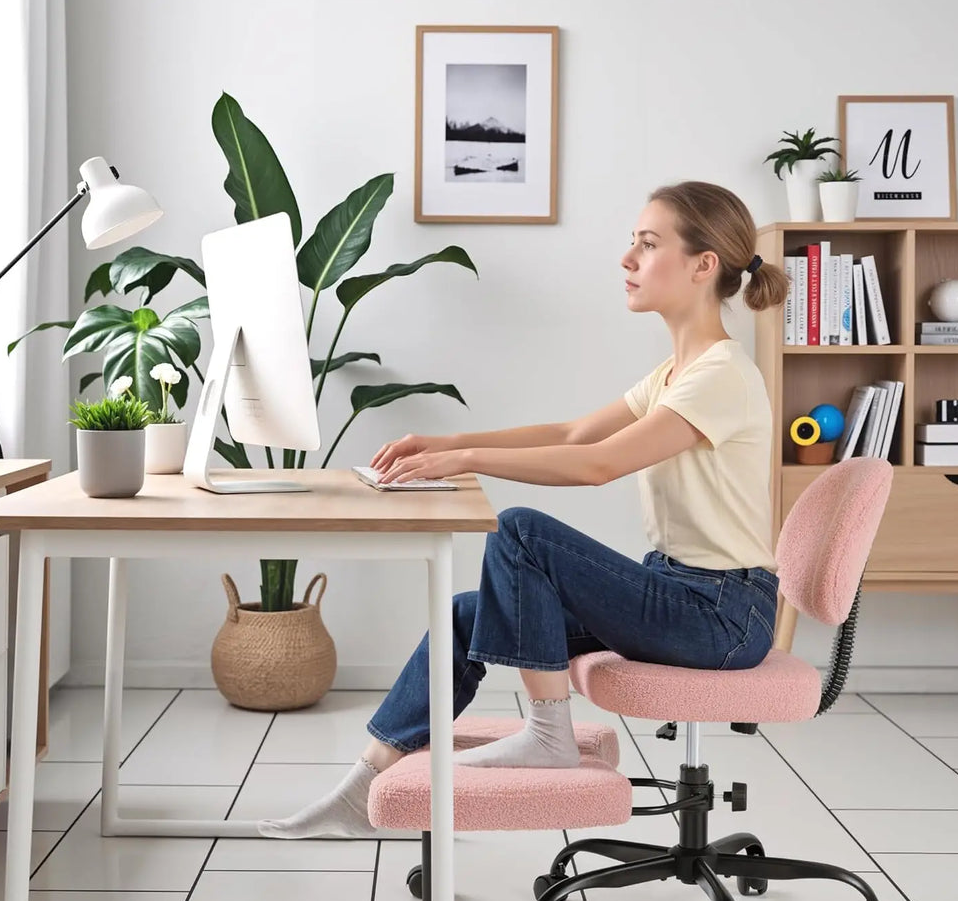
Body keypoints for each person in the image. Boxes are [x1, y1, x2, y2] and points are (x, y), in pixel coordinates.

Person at [258, 180, 790, 840]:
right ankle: (365, 784)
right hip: (679, 592)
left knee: (522, 532)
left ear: (703, 265)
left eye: (648, 245)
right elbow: (574, 435)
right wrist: (452, 443)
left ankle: (548, 736)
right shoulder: (674, 373)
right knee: (462, 615)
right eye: (631, 243)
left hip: (722, 615)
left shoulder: (722, 376)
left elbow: (600, 465)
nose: (627, 260)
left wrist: (469, 463)